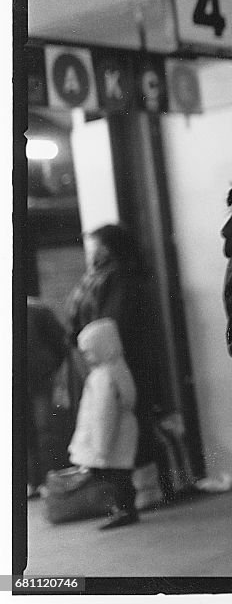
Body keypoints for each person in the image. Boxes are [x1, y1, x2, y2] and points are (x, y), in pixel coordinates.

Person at [66, 224, 155, 468]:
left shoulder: (115, 279)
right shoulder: (97, 279)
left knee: (109, 418)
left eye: (99, 246)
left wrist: (86, 345)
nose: (95, 252)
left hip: (107, 358)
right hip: (94, 357)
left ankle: (127, 484)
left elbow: (109, 324)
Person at [68, 317, 140, 530]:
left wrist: (101, 446)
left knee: (115, 477)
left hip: (109, 436)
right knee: (122, 475)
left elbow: (103, 414)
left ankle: (122, 510)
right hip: (123, 431)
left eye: (89, 351)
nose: (87, 357)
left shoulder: (102, 377)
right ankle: (126, 508)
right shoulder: (119, 368)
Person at [26, 294, 68, 495]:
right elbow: (60, 342)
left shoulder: (36, 310)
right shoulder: (38, 309)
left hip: (39, 379)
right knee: (43, 431)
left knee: (40, 431)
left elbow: (60, 342)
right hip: (41, 377)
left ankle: (41, 480)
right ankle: (43, 481)